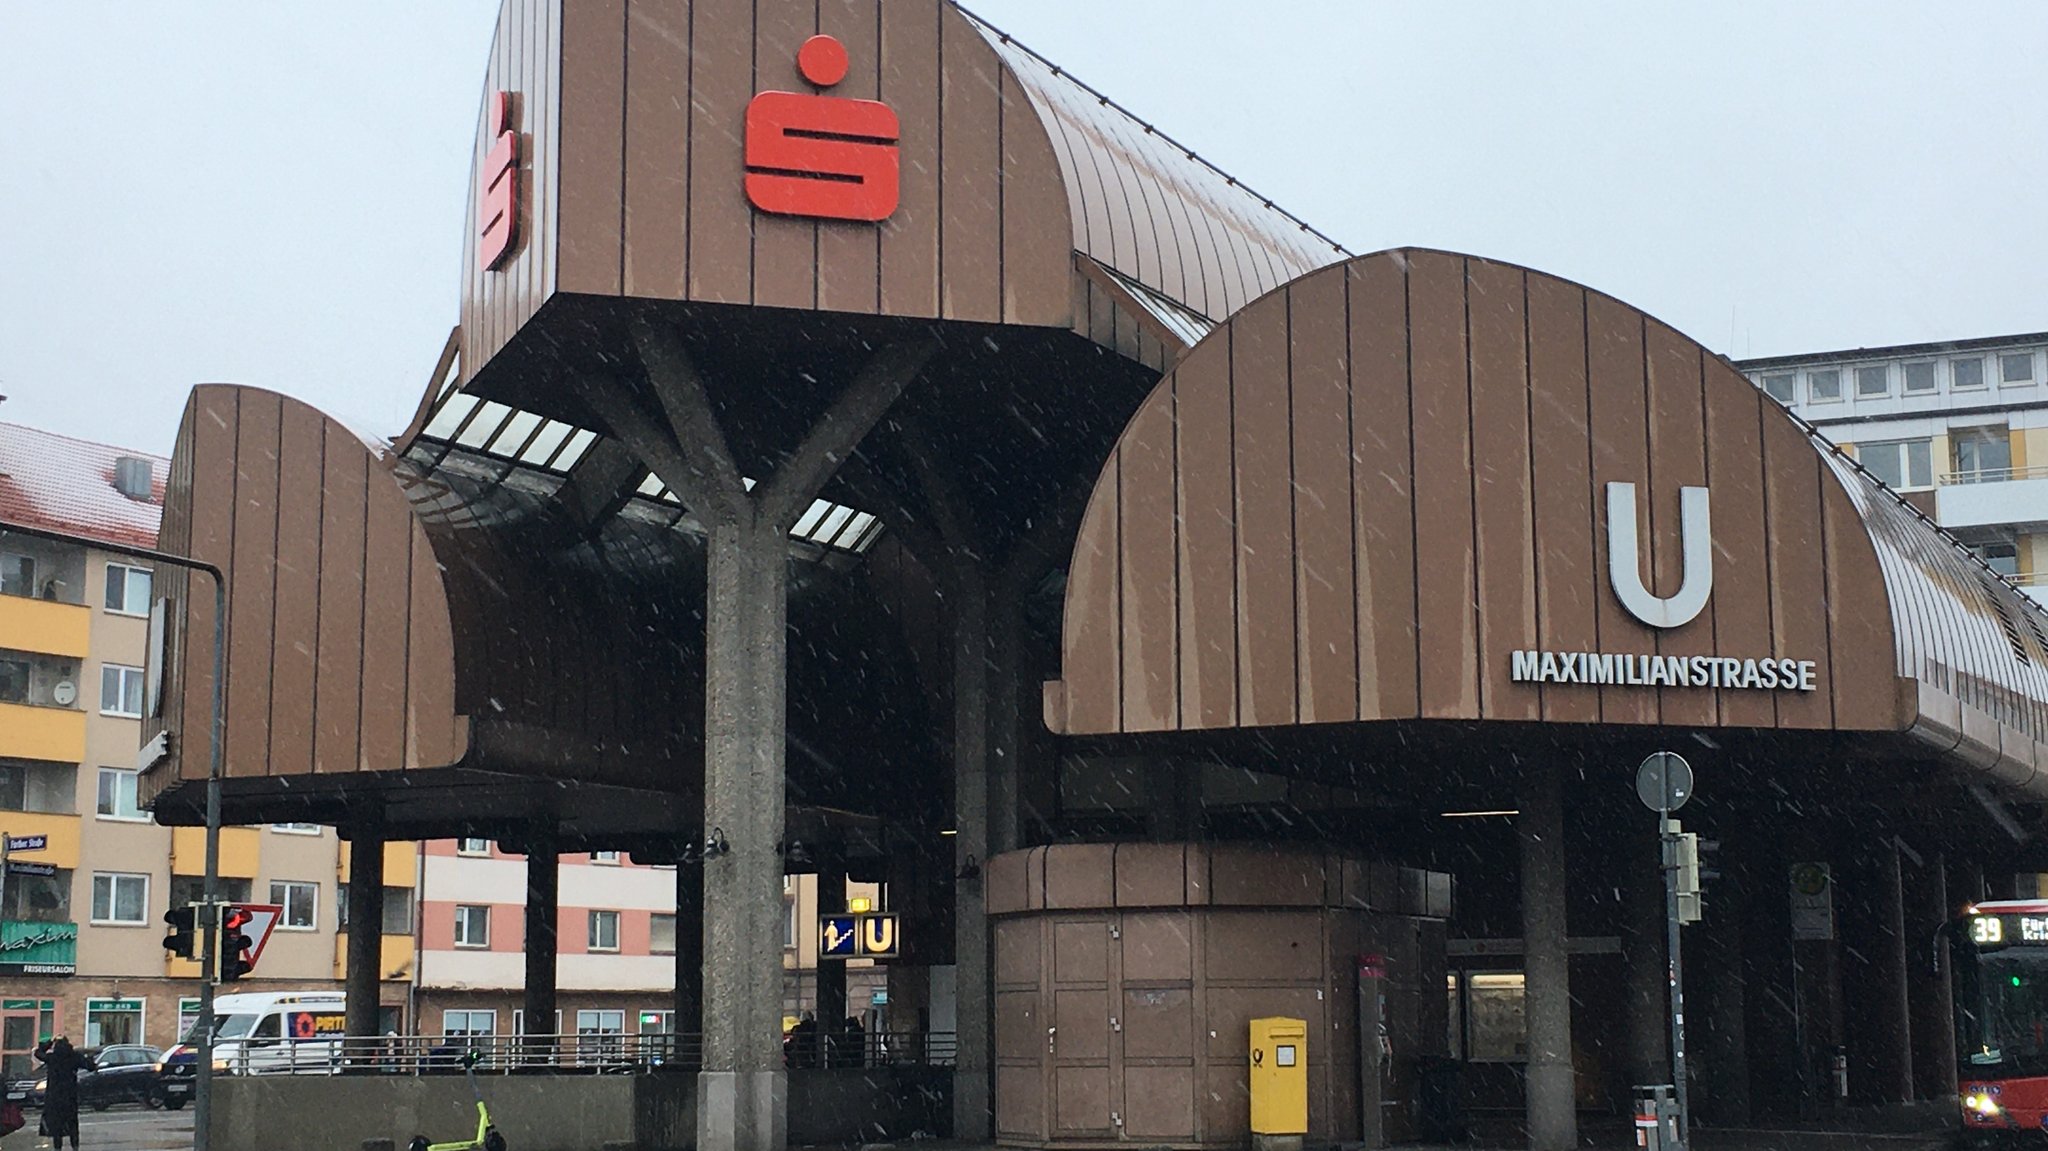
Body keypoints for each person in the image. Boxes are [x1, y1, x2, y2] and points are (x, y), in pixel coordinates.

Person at [34, 1036, 96, 1149]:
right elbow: (91, 1066)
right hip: (70, 1095)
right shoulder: (74, 1057)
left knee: (57, 1125)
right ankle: (75, 1147)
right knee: (72, 1123)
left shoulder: (52, 1057)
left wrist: (49, 1043)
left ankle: (58, 1147)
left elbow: (38, 1053)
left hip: (54, 1096)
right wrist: (89, 1057)